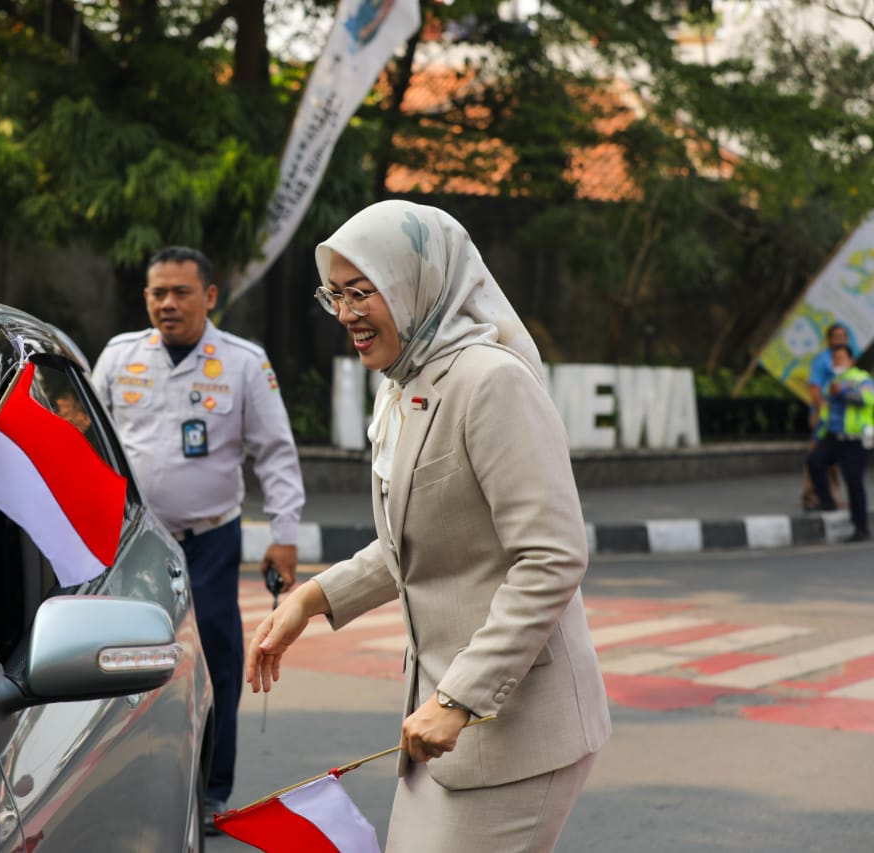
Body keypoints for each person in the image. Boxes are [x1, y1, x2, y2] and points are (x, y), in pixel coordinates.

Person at [246, 200, 610, 852]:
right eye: (336, 294)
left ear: (418, 283)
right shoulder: (407, 380)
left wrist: (459, 698)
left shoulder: (489, 381)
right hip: (442, 727)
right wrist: (312, 598)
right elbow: (417, 539)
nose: (347, 313)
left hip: (512, 728)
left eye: (364, 292)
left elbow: (552, 556)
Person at [90, 245, 305, 832]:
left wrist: (284, 537)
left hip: (211, 539)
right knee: (119, 659)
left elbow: (276, 453)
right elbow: (88, 441)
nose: (168, 303)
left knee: (215, 660)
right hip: (133, 539)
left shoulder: (242, 363)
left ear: (209, 297)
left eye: (181, 292)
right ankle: (126, 780)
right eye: (158, 292)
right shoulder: (119, 357)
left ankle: (212, 791)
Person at [805, 342, 873, 542]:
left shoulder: (862, 379)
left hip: (854, 440)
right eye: (834, 359)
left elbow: (868, 400)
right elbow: (825, 412)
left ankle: (861, 528)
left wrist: (842, 393)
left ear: (851, 361)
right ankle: (827, 501)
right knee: (814, 461)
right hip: (832, 437)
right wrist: (817, 437)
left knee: (853, 482)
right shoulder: (832, 382)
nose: (837, 362)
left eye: (841, 359)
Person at [803, 323, 855, 511]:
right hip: (823, 417)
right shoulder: (822, 360)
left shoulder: (850, 360)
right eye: (836, 336)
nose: (840, 340)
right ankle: (811, 495)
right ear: (829, 339)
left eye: (843, 336)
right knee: (816, 457)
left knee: (835, 464)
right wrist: (821, 412)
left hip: (845, 423)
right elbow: (815, 388)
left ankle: (833, 497)